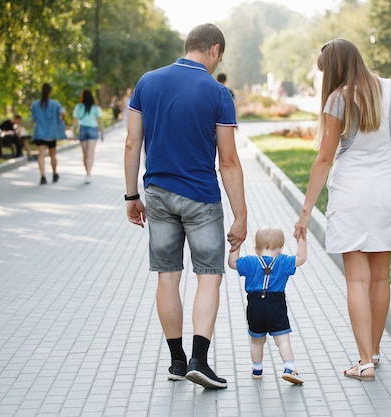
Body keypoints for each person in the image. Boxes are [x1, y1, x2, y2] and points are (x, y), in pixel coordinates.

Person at [293, 39, 391, 382]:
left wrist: (306, 210)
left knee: (357, 279)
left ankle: (364, 361)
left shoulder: (338, 98)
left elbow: (324, 159)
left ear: (334, 68)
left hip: (351, 193)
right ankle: (374, 353)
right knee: (381, 278)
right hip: (385, 190)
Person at [124, 23, 247, 389]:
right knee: (208, 276)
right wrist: (241, 215)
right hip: (202, 199)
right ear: (213, 49)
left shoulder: (148, 82)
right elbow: (228, 160)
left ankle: (177, 362)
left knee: (168, 276)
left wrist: (132, 196)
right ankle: (199, 360)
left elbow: (132, 143)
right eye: (219, 56)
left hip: (158, 194)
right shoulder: (218, 92)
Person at [227, 226, 306, 385]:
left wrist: (236, 245)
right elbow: (301, 258)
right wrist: (302, 239)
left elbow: (232, 263)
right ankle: (289, 368)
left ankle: (257, 368)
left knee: (256, 341)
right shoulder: (284, 261)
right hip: (276, 305)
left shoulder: (250, 261)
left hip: (255, 306)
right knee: (282, 340)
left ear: (256, 249)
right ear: (281, 248)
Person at [31, 83, 66, 185]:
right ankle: (55, 174)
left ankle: (43, 176)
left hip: (39, 133)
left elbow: (33, 119)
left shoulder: (35, 104)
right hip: (51, 133)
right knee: (52, 155)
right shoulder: (55, 104)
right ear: (50, 91)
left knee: (41, 155)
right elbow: (63, 112)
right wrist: (61, 121)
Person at [72, 89, 104, 184]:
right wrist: (101, 133)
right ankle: (88, 174)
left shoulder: (78, 107)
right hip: (93, 130)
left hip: (83, 130)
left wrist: (73, 131)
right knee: (90, 153)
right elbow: (99, 121)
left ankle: (87, 172)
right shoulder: (95, 108)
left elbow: (75, 120)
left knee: (85, 154)